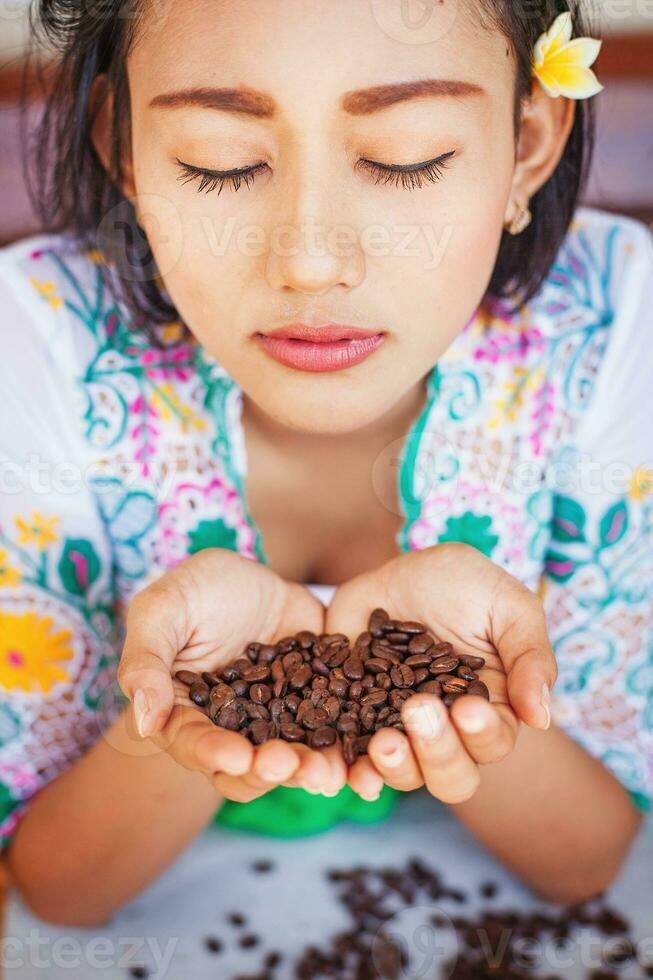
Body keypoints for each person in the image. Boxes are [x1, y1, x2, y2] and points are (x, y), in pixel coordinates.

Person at [0, 0, 651, 928]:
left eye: (405, 157)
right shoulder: (39, 345)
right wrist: (184, 711)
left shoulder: (611, 323)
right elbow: (59, 886)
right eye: (217, 162)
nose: (310, 261)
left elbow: (587, 859)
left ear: (528, 143)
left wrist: (459, 696)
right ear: (128, 152)